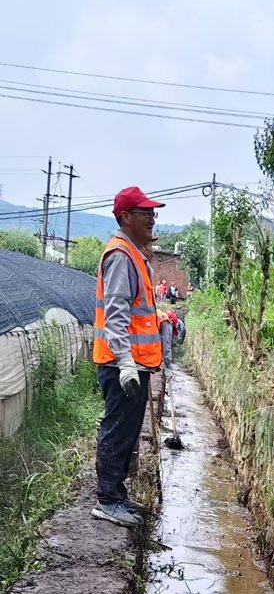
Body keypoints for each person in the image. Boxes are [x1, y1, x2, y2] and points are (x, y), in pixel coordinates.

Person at [91, 185, 165, 526]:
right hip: (123, 363)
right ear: (125, 217)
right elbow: (117, 314)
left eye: (152, 212)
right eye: (145, 212)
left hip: (136, 362)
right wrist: (124, 363)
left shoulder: (135, 254)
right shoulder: (122, 256)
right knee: (117, 428)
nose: (152, 218)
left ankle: (117, 495)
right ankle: (107, 499)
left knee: (128, 430)